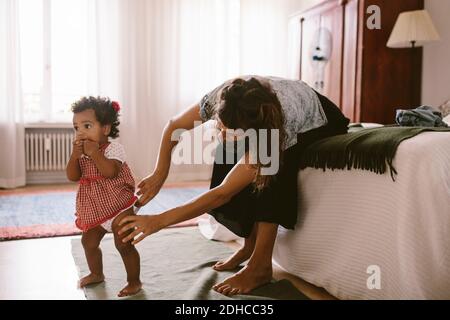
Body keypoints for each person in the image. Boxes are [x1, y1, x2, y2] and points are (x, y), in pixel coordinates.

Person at [119, 76, 350, 296]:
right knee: (227, 152)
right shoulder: (222, 97)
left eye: (232, 132)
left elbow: (223, 194)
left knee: (272, 170)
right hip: (265, 112)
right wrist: (160, 174)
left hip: (320, 119)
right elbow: (174, 126)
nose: (221, 132)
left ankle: (260, 266)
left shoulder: (276, 129)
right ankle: (248, 246)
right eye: (220, 126)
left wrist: (158, 220)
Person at [66, 96, 141, 297]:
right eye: (76, 127)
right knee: (88, 242)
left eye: (87, 125)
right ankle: (96, 273)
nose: (80, 132)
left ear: (105, 129)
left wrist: (95, 154)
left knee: (123, 244)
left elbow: (110, 172)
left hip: (119, 205)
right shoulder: (81, 153)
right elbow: (73, 176)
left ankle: (134, 281)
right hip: (96, 206)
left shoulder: (114, 148)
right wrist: (75, 156)